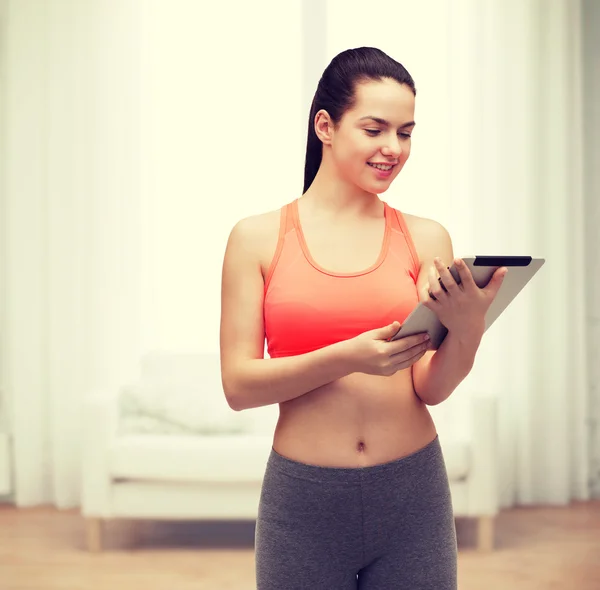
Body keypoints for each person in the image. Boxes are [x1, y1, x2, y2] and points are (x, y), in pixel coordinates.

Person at [219, 46, 506, 590]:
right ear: (324, 126)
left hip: (412, 492)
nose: (392, 148)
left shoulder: (425, 237)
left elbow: (431, 387)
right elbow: (238, 385)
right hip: (303, 502)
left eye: (406, 132)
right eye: (375, 129)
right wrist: (347, 357)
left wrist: (468, 328)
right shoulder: (256, 238)